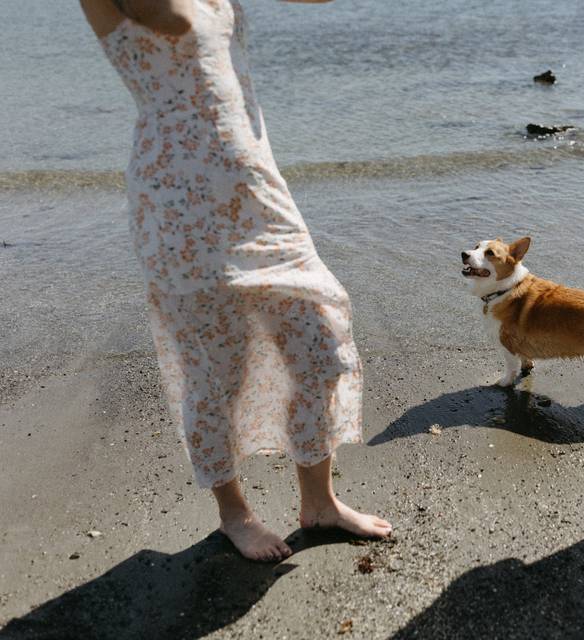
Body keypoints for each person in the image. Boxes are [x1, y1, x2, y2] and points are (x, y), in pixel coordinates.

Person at [79, 0, 392, 562]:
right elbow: (168, 16)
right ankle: (234, 514)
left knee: (321, 345)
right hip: (179, 205)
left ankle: (318, 502)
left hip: (258, 192)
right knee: (219, 371)